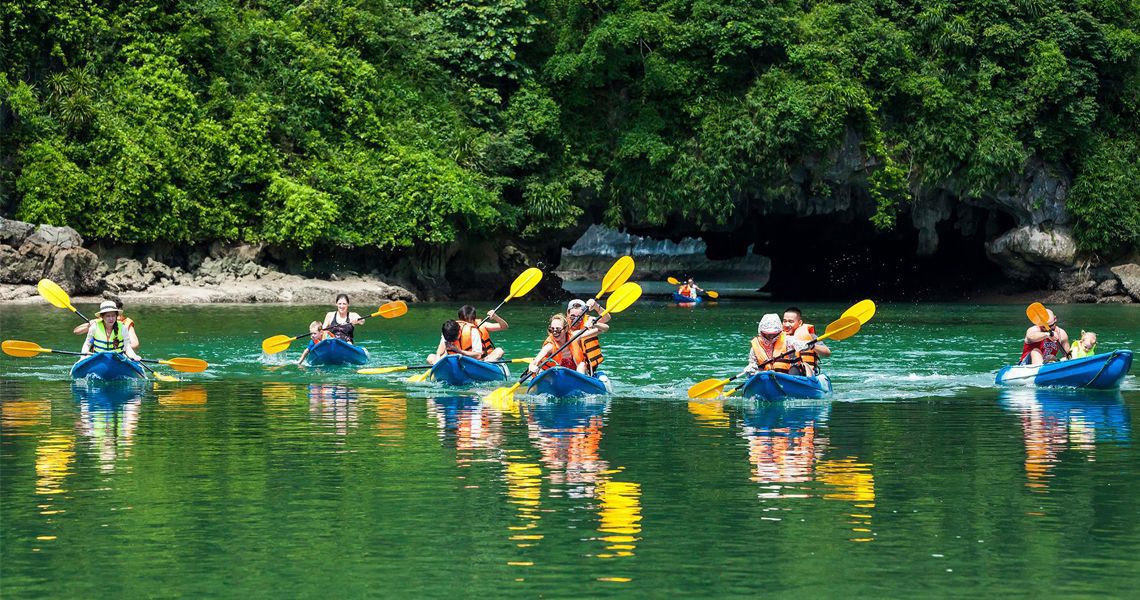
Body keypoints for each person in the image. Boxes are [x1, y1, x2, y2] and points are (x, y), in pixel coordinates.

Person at [741, 313, 805, 377]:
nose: (771, 336)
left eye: (774, 333)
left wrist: (805, 346)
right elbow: (752, 363)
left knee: (794, 369)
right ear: (761, 332)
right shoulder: (755, 346)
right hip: (766, 377)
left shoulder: (789, 340)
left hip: (787, 375)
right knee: (753, 373)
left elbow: (801, 344)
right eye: (767, 333)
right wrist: (750, 368)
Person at [528, 314, 592, 375]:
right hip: (556, 376)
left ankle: (581, 383)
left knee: (582, 365)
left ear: (566, 329)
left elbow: (600, 330)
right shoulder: (550, 346)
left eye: (558, 329)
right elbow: (536, 360)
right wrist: (532, 366)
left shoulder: (575, 337)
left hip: (575, 375)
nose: (554, 332)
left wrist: (592, 323)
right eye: (552, 329)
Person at [73, 298, 139, 351]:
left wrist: (122, 349)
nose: (111, 318)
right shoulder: (98, 323)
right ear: (103, 315)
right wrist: (89, 324)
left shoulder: (125, 323)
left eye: (114, 315)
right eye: (108, 315)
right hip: (98, 355)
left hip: (118, 354)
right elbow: (76, 332)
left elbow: (135, 344)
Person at [782, 306, 830, 376]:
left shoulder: (810, 336)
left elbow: (827, 353)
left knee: (795, 369)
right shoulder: (777, 337)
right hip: (782, 373)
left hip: (806, 373)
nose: (786, 324)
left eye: (791, 321)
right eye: (784, 321)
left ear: (800, 323)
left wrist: (812, 346)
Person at [566, 298, 610, 375]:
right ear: (567, 314)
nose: (576, 320)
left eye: (579, 317)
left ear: (584, 315)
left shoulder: (589, 320)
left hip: (585, 366)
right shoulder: (562, 324)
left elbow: (606, 319)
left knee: (582, 366)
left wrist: (596, 306)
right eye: (572, 316)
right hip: (567, 364)